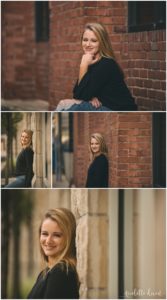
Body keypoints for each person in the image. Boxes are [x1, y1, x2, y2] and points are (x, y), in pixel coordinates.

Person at [56, 22, 137, 111]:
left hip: (117, 110)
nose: (87, 44)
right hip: (103, 105)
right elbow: (77, 91)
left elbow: (79, 96)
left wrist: (83, 65)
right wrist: (91, 96)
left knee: (71, 108)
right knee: (63, 104)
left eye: (93, 41)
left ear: (102, 42)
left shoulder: (106, 64)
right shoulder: (91, 61)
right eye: (85, 40)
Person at [27, 208, 79, 299]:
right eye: (45, 234)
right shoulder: (46, 272)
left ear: (69, 238)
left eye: (57, 235)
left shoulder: (61, 273)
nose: (48, 241)